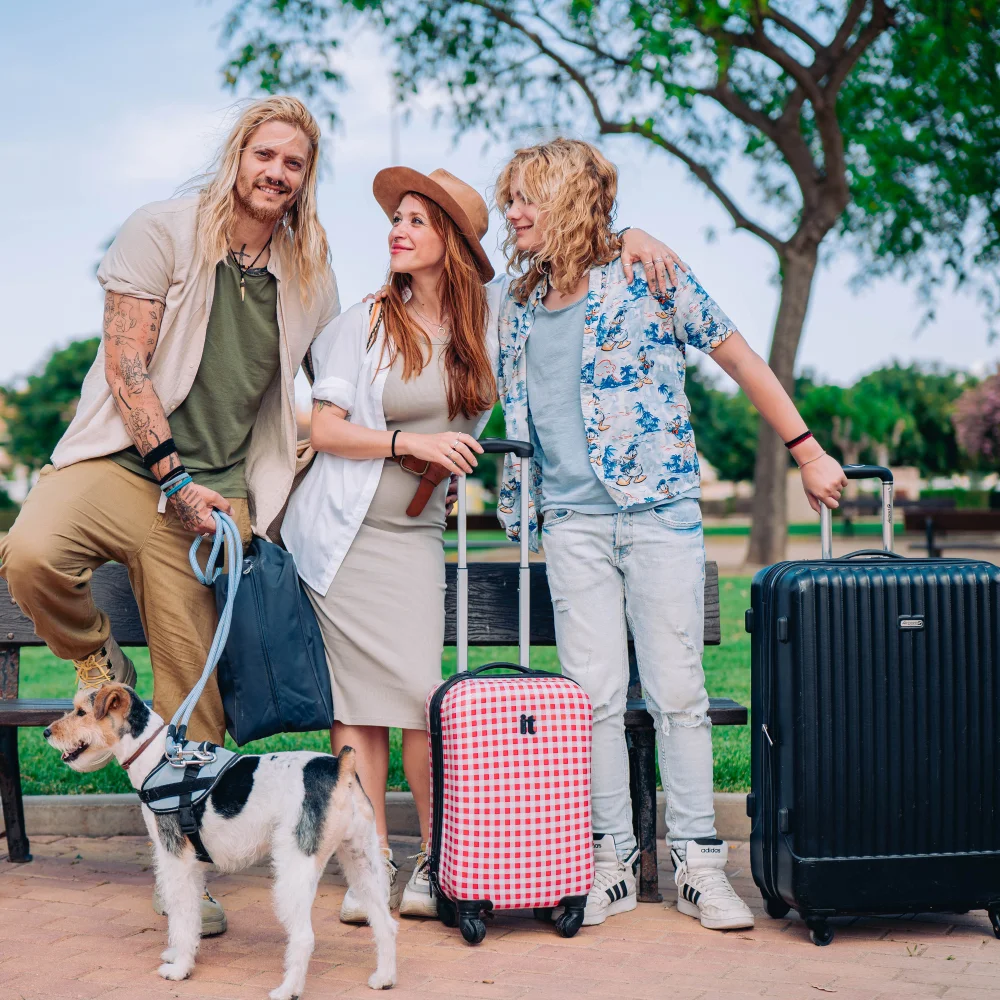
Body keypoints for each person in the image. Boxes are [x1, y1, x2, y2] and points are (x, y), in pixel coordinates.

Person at [0, 96, 339, 936]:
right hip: (122, 464)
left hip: (217, 500)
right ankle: (92, 665)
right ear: (237, 155)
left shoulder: (309, 274)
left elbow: (337, 389)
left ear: (304, 181)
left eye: (293, 163)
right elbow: (128, 364)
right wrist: (174, 477)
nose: (276, 172)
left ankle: (183, 868)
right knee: (31, 552)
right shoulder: (162, 229)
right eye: (265, 154)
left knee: (197, 699)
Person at [493, 138, 848, 931]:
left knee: (679, 695)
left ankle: (696, 861)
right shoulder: (514, 304)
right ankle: (609, 859)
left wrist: (808, 450)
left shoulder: (649, 277)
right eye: (507, 199)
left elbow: (740, 359)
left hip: (658, 513)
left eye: (525, 199)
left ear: (569, 203)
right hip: (573, 524)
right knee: (591, 700)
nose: (510, 213)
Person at [281, 167, 499, 923]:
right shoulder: (365, 322)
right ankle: (370, 865)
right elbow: (326, 428)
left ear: (454, 245)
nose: (397, 231)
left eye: (417, 221)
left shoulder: (486, 327)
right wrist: (414, 441)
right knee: (356, 711)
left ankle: (442, 858)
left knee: (419, 704)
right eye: (397, 218)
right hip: (343, 539)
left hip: (414, 538)